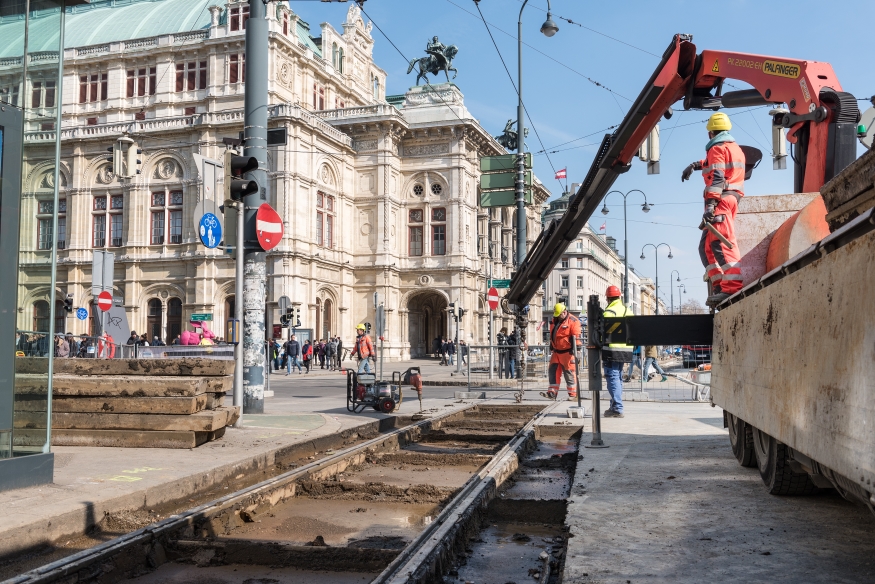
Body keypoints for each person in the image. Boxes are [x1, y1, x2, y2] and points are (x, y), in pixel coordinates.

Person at [682, 112, 745, 307]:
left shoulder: (717, 148)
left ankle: (732, 286)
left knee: (720, 244)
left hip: (721, 200)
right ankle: (719, 286)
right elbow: (713, 164)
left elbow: (717, 176)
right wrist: (695, 165)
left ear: (710, 132)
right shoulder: (733, 148)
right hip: (729, 198)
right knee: (707, 246)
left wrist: (710, 205)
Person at [601, 286, 633, 418]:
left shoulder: (609, 312)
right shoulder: (627, 310)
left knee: (612, 377)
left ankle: (618, 408)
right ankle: (614, 406)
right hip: (625, 349)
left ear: (608, 298)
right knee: (618, 377)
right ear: (619, 296)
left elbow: (602, 331)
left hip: (612, 350)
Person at [543, 303, 582, 401]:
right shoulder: (554, 320)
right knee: (553, 371)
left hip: (567, 353)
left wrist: (578, 351)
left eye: (559, 315)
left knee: (569, 374)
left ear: (564, 312)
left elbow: (576, 337)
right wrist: (552, 344)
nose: (557, 317)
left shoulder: (573, 321)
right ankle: (552, 393)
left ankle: (573, 395)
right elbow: (553, 334)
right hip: (556, 352)